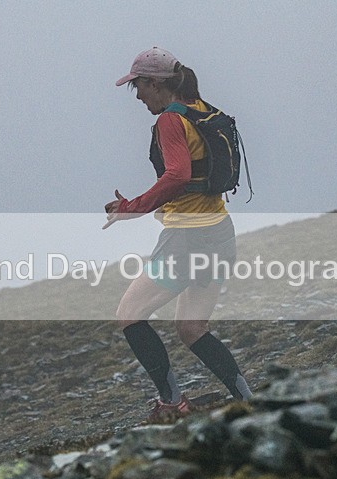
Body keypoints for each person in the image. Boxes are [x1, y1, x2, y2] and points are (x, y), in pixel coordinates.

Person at [104, 47, 253, 420]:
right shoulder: (201, 110)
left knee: (130, 314)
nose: (138, 96)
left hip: (187, 239)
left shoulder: (170, 120)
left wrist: (131, 208)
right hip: (220, 233)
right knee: (191, 328)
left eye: (138, 86)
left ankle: (172, 402)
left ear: (155, 83)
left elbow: (177, 176)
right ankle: (248, 399)